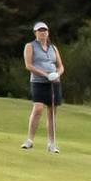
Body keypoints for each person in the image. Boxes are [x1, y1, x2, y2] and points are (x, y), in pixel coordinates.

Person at [22, 21, 64, 153]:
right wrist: (45, 74)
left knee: (52, 113)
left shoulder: (53, 48)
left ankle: (51, 144)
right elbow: (29, 65)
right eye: (40, 31)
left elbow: (61, 66)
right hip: (38, 82)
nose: (43, 33)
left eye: (45, 30)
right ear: (35, 33)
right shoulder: (30, 46)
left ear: (48, 32)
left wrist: (57, 74)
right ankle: (29, 140)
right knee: (38, 108)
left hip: (54, 82)